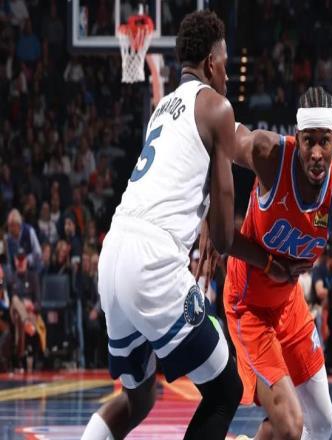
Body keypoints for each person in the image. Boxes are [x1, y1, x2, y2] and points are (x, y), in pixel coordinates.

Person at [82, 11, 246, 440]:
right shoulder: (218, 107)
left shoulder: (162, 110)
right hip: (153, 259)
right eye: (225, 63)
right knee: (226, 390)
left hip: (114, 251)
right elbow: (224, 236)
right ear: (211, 63)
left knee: (138, 399)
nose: (227, 73)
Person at [216, 87, 332, 440]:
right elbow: (218, 136)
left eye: (324, 142)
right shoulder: (269, 155)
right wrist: (211, 208)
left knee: (323, 423)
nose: (316, 153)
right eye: (308, 141)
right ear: (296, 138)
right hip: (247, 305)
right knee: (290, 424)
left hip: (289, 305)